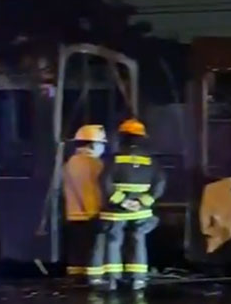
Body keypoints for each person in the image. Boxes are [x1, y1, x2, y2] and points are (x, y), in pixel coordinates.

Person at [99, 118, 165, 291]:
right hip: (141, 211)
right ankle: (138, 280)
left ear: (123, 137)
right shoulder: (151, 161)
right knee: (138, 240)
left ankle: (113, 280)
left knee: (114, 241)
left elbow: (104, 182)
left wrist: (123, 201)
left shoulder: (114, 159)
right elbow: (160, 183)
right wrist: (142, 202)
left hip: (116, 210)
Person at [62, 125, 107, 285]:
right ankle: (94, 278)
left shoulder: (70, 163)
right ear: (93, 145)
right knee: (94, 248)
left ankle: (76, 278)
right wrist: (97, 214)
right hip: (90, 213)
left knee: (77, 250)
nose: (103, 148)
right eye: (102, 144)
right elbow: (91, 191)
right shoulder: (93, 164)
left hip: (73, 213)